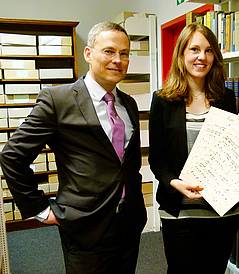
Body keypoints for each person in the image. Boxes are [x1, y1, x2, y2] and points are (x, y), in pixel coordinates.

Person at [0, 22, 147, 273]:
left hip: (128, 222)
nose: (117, 60)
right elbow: (12, 157)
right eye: (109, 51)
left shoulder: (128, 104)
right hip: (84, 226)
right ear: (88, 54)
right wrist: (40, 209)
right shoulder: (58, 100)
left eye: (124, 53)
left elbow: (127, 163)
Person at [149, 23, 239, 274]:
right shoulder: (163, 100)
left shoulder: (225, 98)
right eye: (194, 49)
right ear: (181, 55)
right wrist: (174, 182)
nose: (202, 57)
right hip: (180, 211)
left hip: (223, 211)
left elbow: (234, 152)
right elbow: (157, 158)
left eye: (209, 51)